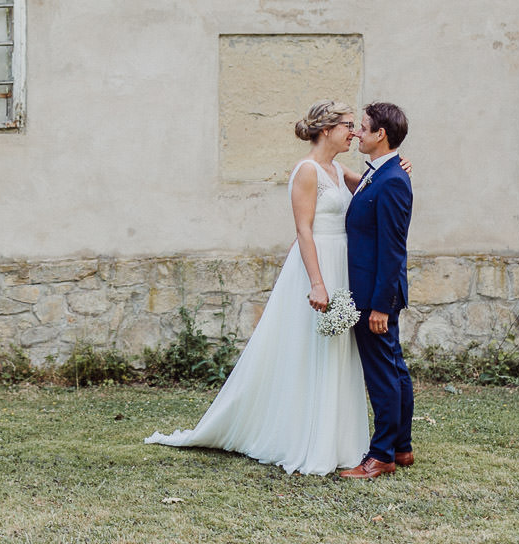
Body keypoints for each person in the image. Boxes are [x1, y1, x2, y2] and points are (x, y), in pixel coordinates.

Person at [143, 101, 370, 475]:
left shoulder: (335, 168)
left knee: (336, 350)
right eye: (348, 125)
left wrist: (397, 165)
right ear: (327, 129)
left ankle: (337, 439)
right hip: (317, 266)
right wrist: (317, 283)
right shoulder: (307, 171)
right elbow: (304, 230)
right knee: (309, 349)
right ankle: (302, 437)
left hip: (340, 262)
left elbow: (369, 187)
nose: (354, 132)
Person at [339, 101, 416, 480]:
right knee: (394, 368)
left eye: (363, 127)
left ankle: (382, 454)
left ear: (380, 134)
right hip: (374, 292)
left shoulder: (393, 180)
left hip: (375, 296)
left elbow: (392, 249)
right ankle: (401, 447)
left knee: (382, 374)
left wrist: (380, 307)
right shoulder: (382, 174)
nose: (357, 133)